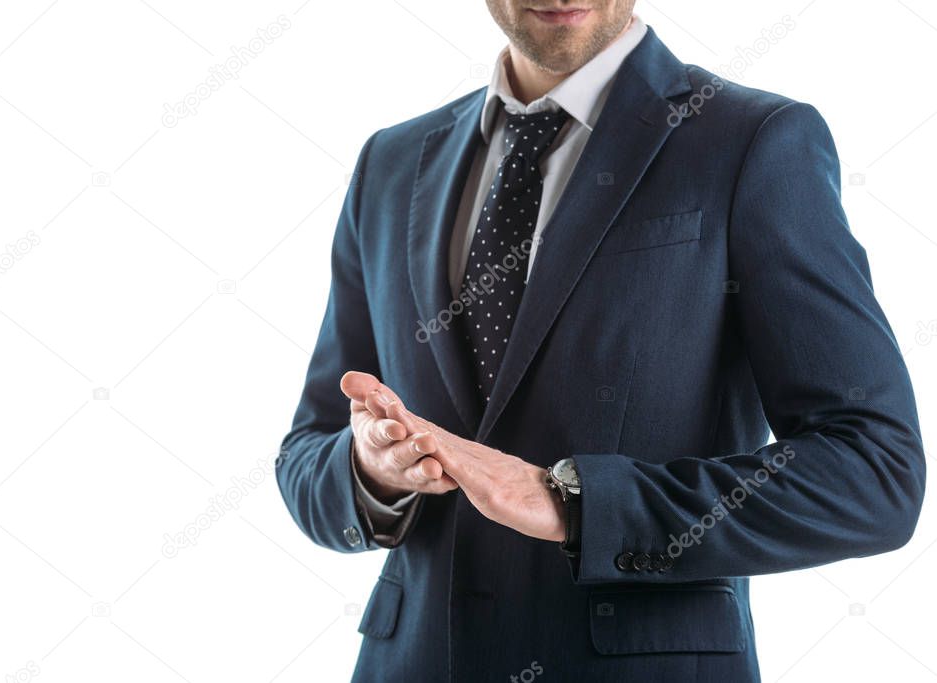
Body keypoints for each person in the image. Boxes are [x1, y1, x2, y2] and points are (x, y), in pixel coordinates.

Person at [277, 2, 926, 681]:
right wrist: (372, 471)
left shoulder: (752, 140)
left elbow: (874, 472)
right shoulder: (391, 161)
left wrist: (578, 503)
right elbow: (307, 452)